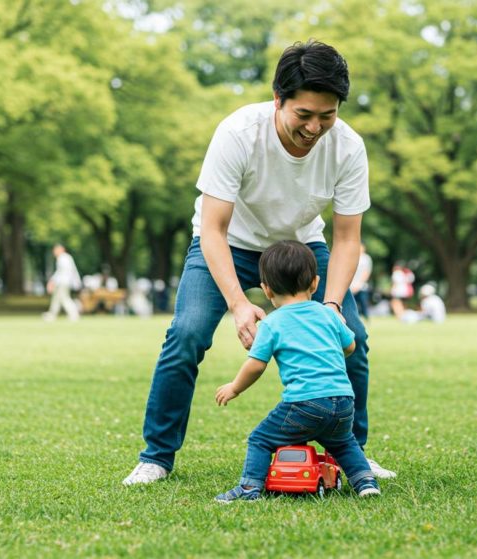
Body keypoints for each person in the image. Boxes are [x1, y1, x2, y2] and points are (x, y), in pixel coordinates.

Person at [122, 40, 395, 486]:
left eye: (327, 116)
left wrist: (329, 307)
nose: (314, 128)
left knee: (355, 338)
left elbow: (347, 238)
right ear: (277, 100)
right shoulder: (238, 133)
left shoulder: (347, 147)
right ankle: (156, 457)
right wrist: (237, 302)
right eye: (303, 115)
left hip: (300, 249)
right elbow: (212, 229)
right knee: (187, 334)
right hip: (229, 245)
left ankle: (353, 454)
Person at [213, 241, 380, 502]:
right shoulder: (329, 314)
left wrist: (234, 387)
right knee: (344, 442)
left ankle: (249, 489)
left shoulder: (272, 323)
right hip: (344, 400)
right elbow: (351, 346)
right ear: (315, 283)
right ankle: (365, 481)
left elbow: (256, 364)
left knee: (260, 439)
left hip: (304, 403)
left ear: (266, 290)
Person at [42, 244, 81, 322]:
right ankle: (52, 314)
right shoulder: (66, 258)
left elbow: (61, 272)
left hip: (63, 282)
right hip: (64, 282)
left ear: (61, 250)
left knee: (64, 298)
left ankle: (74, 314)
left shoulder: (63, 258)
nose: (54, 252)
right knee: (56, 299)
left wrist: (52, 282)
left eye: (55, 250)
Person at [349, 243, 373, 319]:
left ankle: (366, 317)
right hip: (351, 285)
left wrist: (360, 284)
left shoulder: (366, 258)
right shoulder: (352, 257)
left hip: (361, 285)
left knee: (363, 302)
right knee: (353, 303)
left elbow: (367, 272)